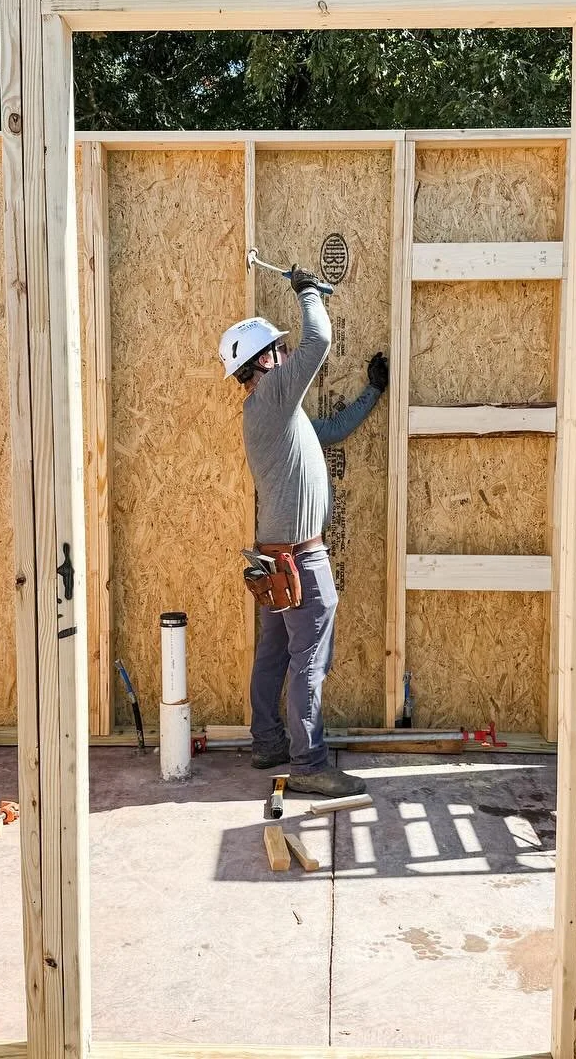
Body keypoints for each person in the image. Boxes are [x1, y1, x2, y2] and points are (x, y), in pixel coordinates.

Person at [219, 265, 389, 797]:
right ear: (265, 361)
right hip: (299, 560)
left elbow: (333, 431)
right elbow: (320, 338)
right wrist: (308, 290)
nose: (289, 356)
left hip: (276, 557)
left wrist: (372, 392)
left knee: (274, 653)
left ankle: (267, 742)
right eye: (280, 351)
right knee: (309, 658)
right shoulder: (272, 398)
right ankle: (309, 763)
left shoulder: (276, 414)